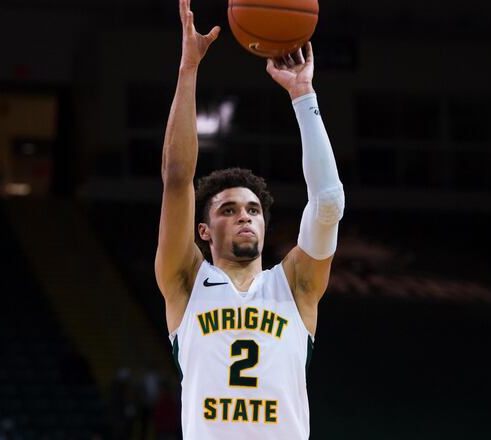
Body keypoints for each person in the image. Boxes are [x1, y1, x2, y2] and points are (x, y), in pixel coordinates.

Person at [154, 0, 345, 438]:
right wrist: (188, 69)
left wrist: (303, 95)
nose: (245, 217)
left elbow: (329, 201)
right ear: (203, 231)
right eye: (228, 209)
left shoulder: (295, 285)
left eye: (254, 210)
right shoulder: (185, 282)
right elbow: (177, 178)